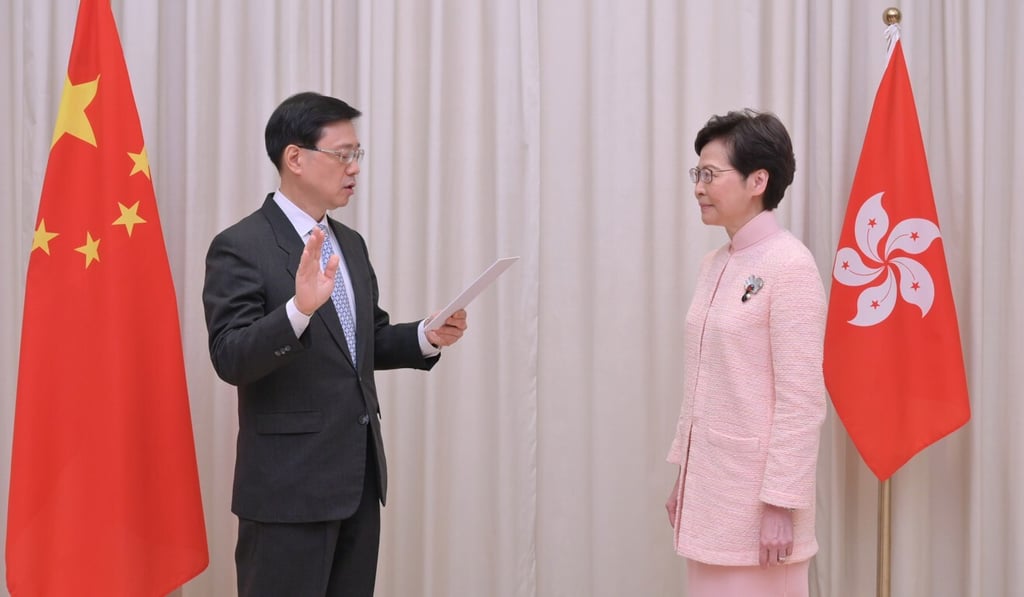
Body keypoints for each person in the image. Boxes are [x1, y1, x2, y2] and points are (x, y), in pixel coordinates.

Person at [203, 91, 468, 597]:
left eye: (357, 155)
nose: (354, 168)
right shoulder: (241, 246)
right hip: (286, 493)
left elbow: (362, 341)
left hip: (357, 483)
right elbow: (230, 356)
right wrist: (297, 310)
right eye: (342, 154)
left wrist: (423, 337)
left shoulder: (349, 242)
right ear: (296, 158)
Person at [664, 109, 826, 596]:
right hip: (710, 494)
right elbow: (703, 383)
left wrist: (782, 504)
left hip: (761, 513)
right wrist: (684, 478)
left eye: (710, 175)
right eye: (697, 173)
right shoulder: (714, 263)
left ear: (759, 180)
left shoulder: (791, 267)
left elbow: (802, 400)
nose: (698, 187)